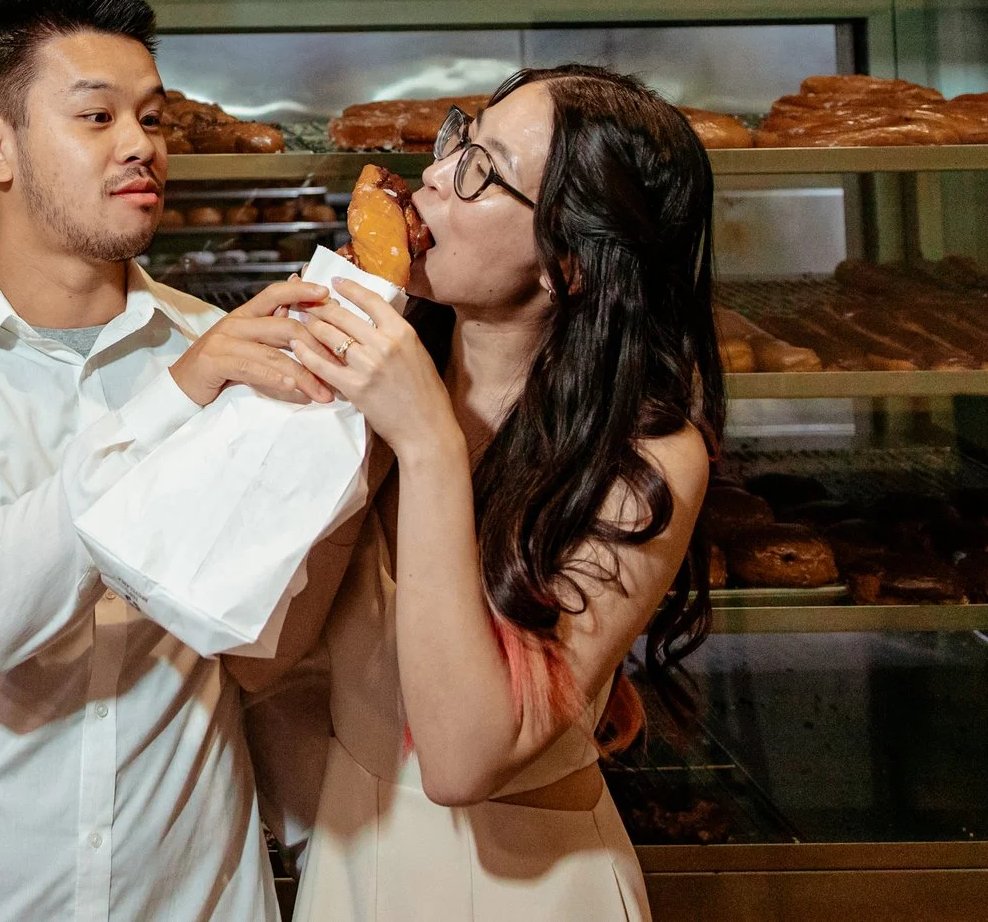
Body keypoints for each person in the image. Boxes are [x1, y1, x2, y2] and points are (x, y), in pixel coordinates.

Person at [0, 0, 339, 922]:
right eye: (97, 115)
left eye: (152, 117)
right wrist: (174, 404)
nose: (142, 144)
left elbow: (270, 649)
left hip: (193, 896)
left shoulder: (220, 352)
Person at [248, 64, 723, 921]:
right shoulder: (386, 379)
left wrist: (427, 444)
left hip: (522, 881)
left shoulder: (647, 460)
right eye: (456, 137)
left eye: (481, 168)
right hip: (348, 854)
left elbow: (465, 756)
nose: (433, 174)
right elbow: (263, 654)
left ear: (569, 262)